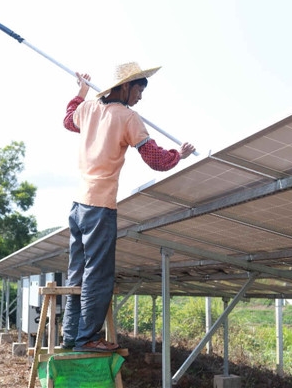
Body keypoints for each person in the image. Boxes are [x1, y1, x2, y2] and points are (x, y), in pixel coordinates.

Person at [61, 62, 195, 352]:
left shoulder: (88, 109)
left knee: (77, 273)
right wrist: (178, 155)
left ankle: (70, 336)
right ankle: (87, 339)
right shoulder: (128, 118)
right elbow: (155, 159)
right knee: (98, 273)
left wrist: (81, 91)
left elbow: (68, 120)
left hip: (77, 206)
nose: (140, 96)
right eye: (138, 89)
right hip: (100, 206)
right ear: (124, 87)